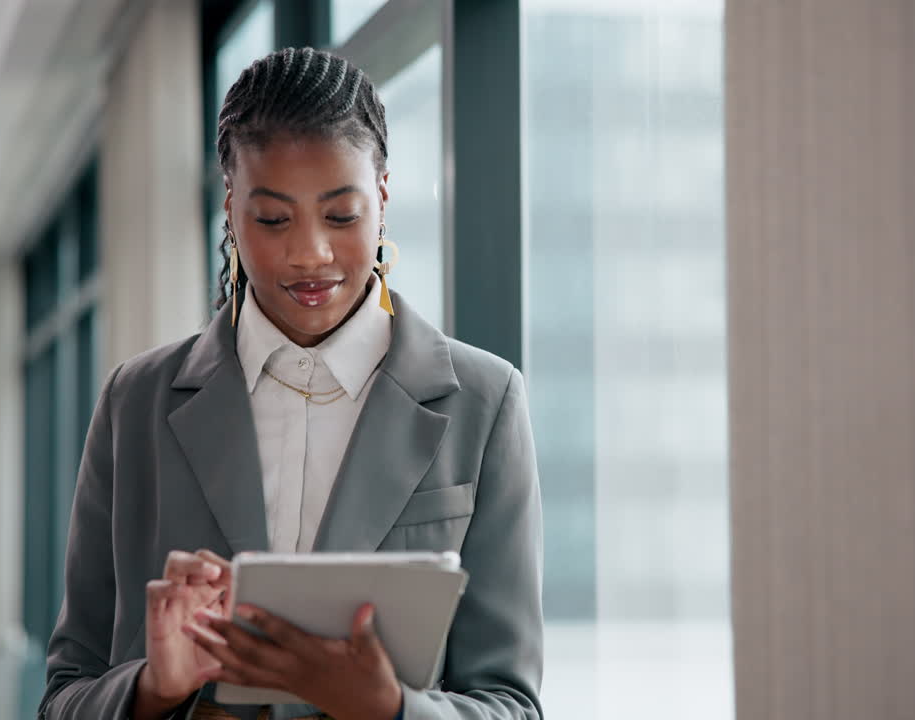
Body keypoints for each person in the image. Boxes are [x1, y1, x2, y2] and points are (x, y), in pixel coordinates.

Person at [38, 47, 543, 720]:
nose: (310, 254)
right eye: (273, 219)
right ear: (230, 206)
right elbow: (65, 694)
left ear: (383, 198)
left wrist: (391, 710)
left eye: (341, 216)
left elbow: (512, 704)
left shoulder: (486, 402)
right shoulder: (136, 403)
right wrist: (154, 689)